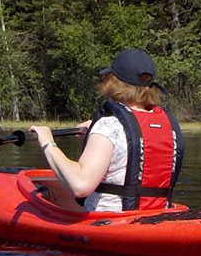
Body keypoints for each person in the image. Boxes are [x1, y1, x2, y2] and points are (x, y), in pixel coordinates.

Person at [29, 48, 184, 212]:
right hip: (155, 217)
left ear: (114, 83)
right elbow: (134, 142)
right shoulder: (168, 127)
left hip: (108, 223)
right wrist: (93, 132)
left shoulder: (108, 127)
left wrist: (48, 142)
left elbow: (80, 185)